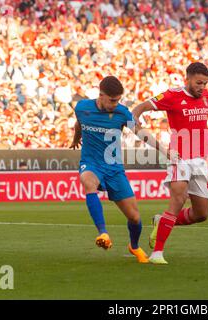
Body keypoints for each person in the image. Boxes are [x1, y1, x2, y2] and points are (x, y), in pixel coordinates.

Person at [132, 62, 208, 264]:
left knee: (201, 214)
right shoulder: (172, 95)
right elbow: (141, 107)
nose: (202, 87)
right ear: (188, 78)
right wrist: (135, 117)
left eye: (205, 83)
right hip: (180, 158)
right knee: (178, 200)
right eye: (198, 83)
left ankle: (162, 222)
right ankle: (157, 253)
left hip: (200, 161)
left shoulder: (204, 95)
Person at [70, 76, 168, 264]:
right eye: (112, 100)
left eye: (118, 100)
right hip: (91, 163)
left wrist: (163, 150)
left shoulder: (122, 113)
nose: (115, 104)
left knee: (134, 217)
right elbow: (79, 123)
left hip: (114, 169)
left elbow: (140, 132)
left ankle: (134, 246)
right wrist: (76, 139)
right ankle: (103, 233)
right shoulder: (82, 107)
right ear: (101, 95)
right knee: (88, 182)